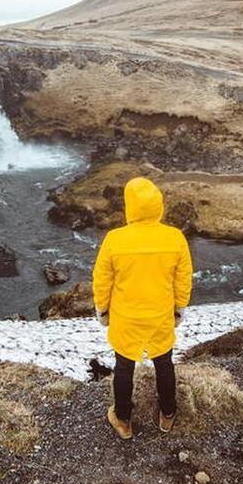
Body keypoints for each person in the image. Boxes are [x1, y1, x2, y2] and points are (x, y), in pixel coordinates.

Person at [91, 176, 192, 439]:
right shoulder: (175, 237)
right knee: (164, 362)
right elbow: (183, 278)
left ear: (130, 206)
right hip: (160, 315)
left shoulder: (115, 239)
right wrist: (179, 307)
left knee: (124, 366)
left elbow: (102, 280)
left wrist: (103, 310)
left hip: (126, 317)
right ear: (158, 205)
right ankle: (168, 413)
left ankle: (123, 420)